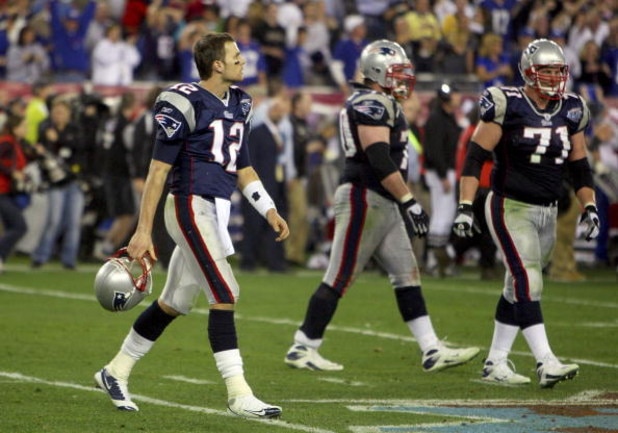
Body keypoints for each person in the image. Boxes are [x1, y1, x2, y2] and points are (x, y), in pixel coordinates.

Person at [94, 32, 288, 419]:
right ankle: (239, 393)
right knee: (226, 291)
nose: (243, 60)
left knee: (174, 302)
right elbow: (158, 170)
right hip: (188, 204)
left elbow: (243, 167)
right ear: (217, 64)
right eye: (235, 55)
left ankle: (115, 371)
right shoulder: (182, 100)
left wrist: (267, 208)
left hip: (214, 209)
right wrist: (143, 230)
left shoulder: (242, 103)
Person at [284, 39, 479, 373]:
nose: (403, 79)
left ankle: (431, 350)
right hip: (366, 196)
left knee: (407, 275)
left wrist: (401, 201)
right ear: (377, 72)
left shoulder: (378, 100)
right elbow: (378, 157)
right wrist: (409, 200)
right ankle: (303, 346)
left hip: (381, 200)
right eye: (396, 72)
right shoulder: (372, 101)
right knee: (341, 274)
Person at [453, 39, 600, 388]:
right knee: (528, 281)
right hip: (509, 205)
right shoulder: (508, 103)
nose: (552, 77)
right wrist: (464, 206)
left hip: (548, 211)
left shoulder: (573, 108)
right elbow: (475, 157)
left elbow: (580, 165)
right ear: (529, 73)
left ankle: (495, 362)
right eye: (545, 71)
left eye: (557, 71)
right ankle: (545, 361)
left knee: (515, 286)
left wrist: (589, 204)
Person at [423, 83, 462, 277]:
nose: (458, 97)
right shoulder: (437, 119)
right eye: (455, 94)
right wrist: (442, 175)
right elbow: (434, 150)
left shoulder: (446, 118)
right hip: (441, 173)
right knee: (441, 216)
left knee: (444, 216)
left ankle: (438, 259)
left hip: (445, 171)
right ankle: (434, 259)